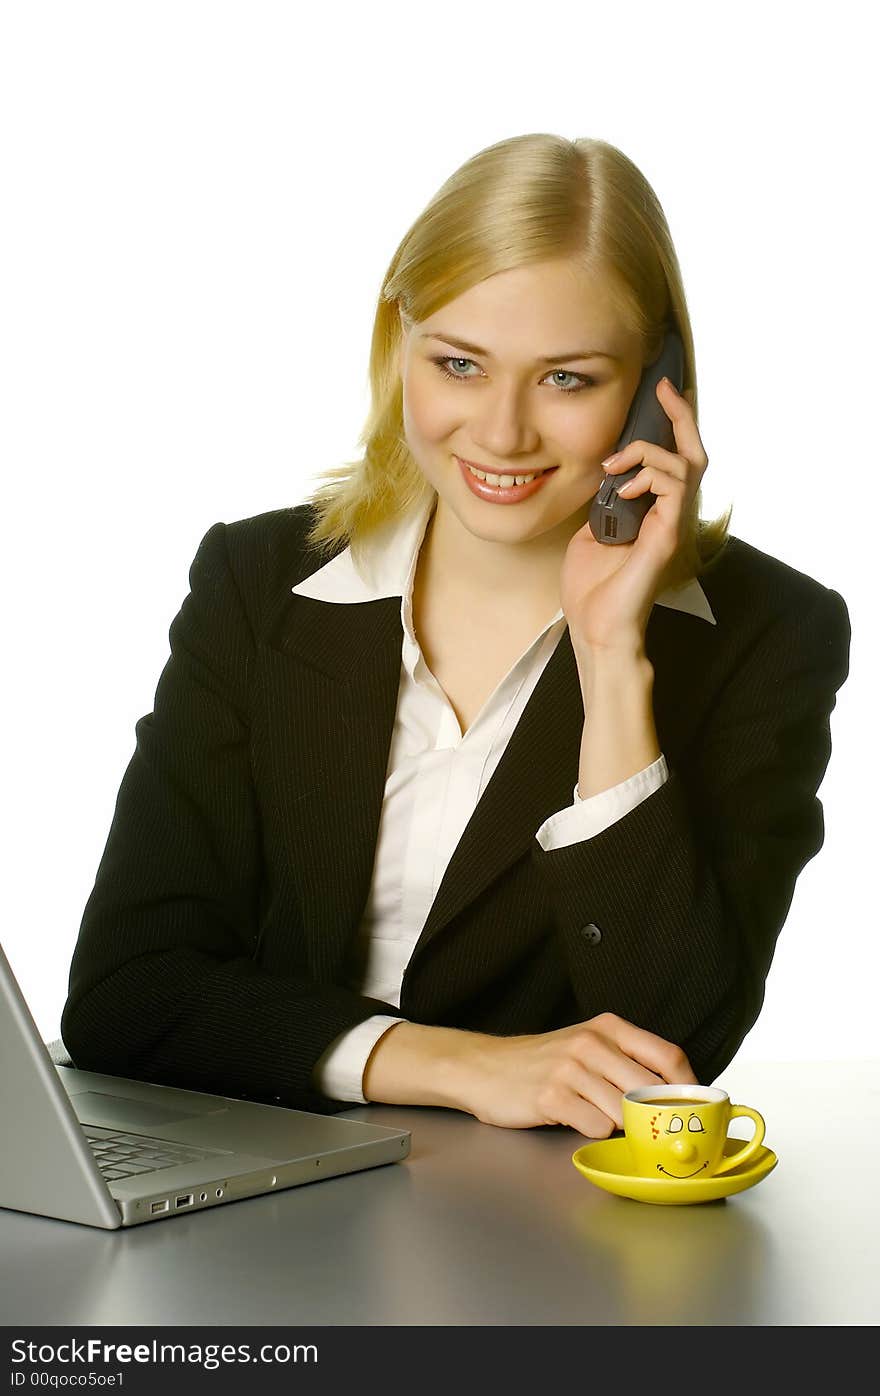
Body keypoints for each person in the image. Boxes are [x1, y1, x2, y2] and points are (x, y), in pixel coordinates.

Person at [61, 133, 851, 1140]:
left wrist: (612, 656)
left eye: (566, 378)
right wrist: (451, 1063)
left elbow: (671, 1047)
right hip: (247, 1191)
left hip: (535, 1236)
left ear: (659, 384)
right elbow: (127, 990)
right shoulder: (257, 584)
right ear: (399, 346)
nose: (502, 432)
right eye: (460, 363)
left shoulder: (769, 635)